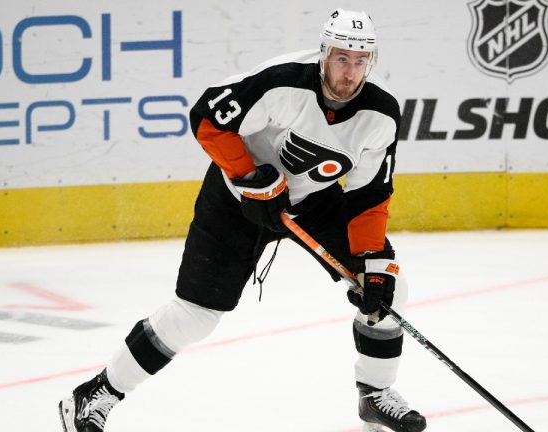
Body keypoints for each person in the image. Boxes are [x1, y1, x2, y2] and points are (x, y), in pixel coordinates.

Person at [58, 8, 426, 432]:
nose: (349, 73)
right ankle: (96, 394)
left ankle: (375, 395)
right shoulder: (281, 82)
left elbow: (370, 194)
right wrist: (250, 178)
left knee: (387, 287)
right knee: (194, 316)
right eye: (342, 58)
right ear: (323, 53)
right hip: (236, 201)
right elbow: (207, 118)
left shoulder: (380, 113)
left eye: (360, 61)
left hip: (314, 204)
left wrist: (368, 263)